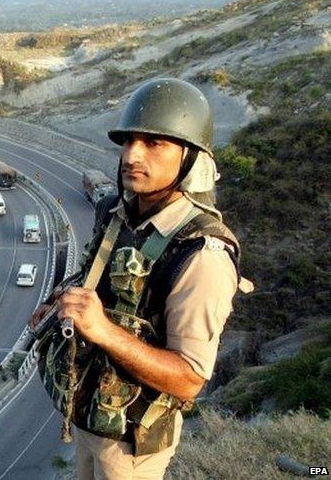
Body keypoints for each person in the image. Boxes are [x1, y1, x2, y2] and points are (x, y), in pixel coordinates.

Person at [29, 78, 252, 479]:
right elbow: (102, 285)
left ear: (190, 157)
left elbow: (189, 380)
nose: (132, 154)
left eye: (154, 143)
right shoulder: (116, 212)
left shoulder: (201, 255)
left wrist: (103, 331)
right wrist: (62, 302)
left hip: (132, 447)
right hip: (86, 418)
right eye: (129, 140)